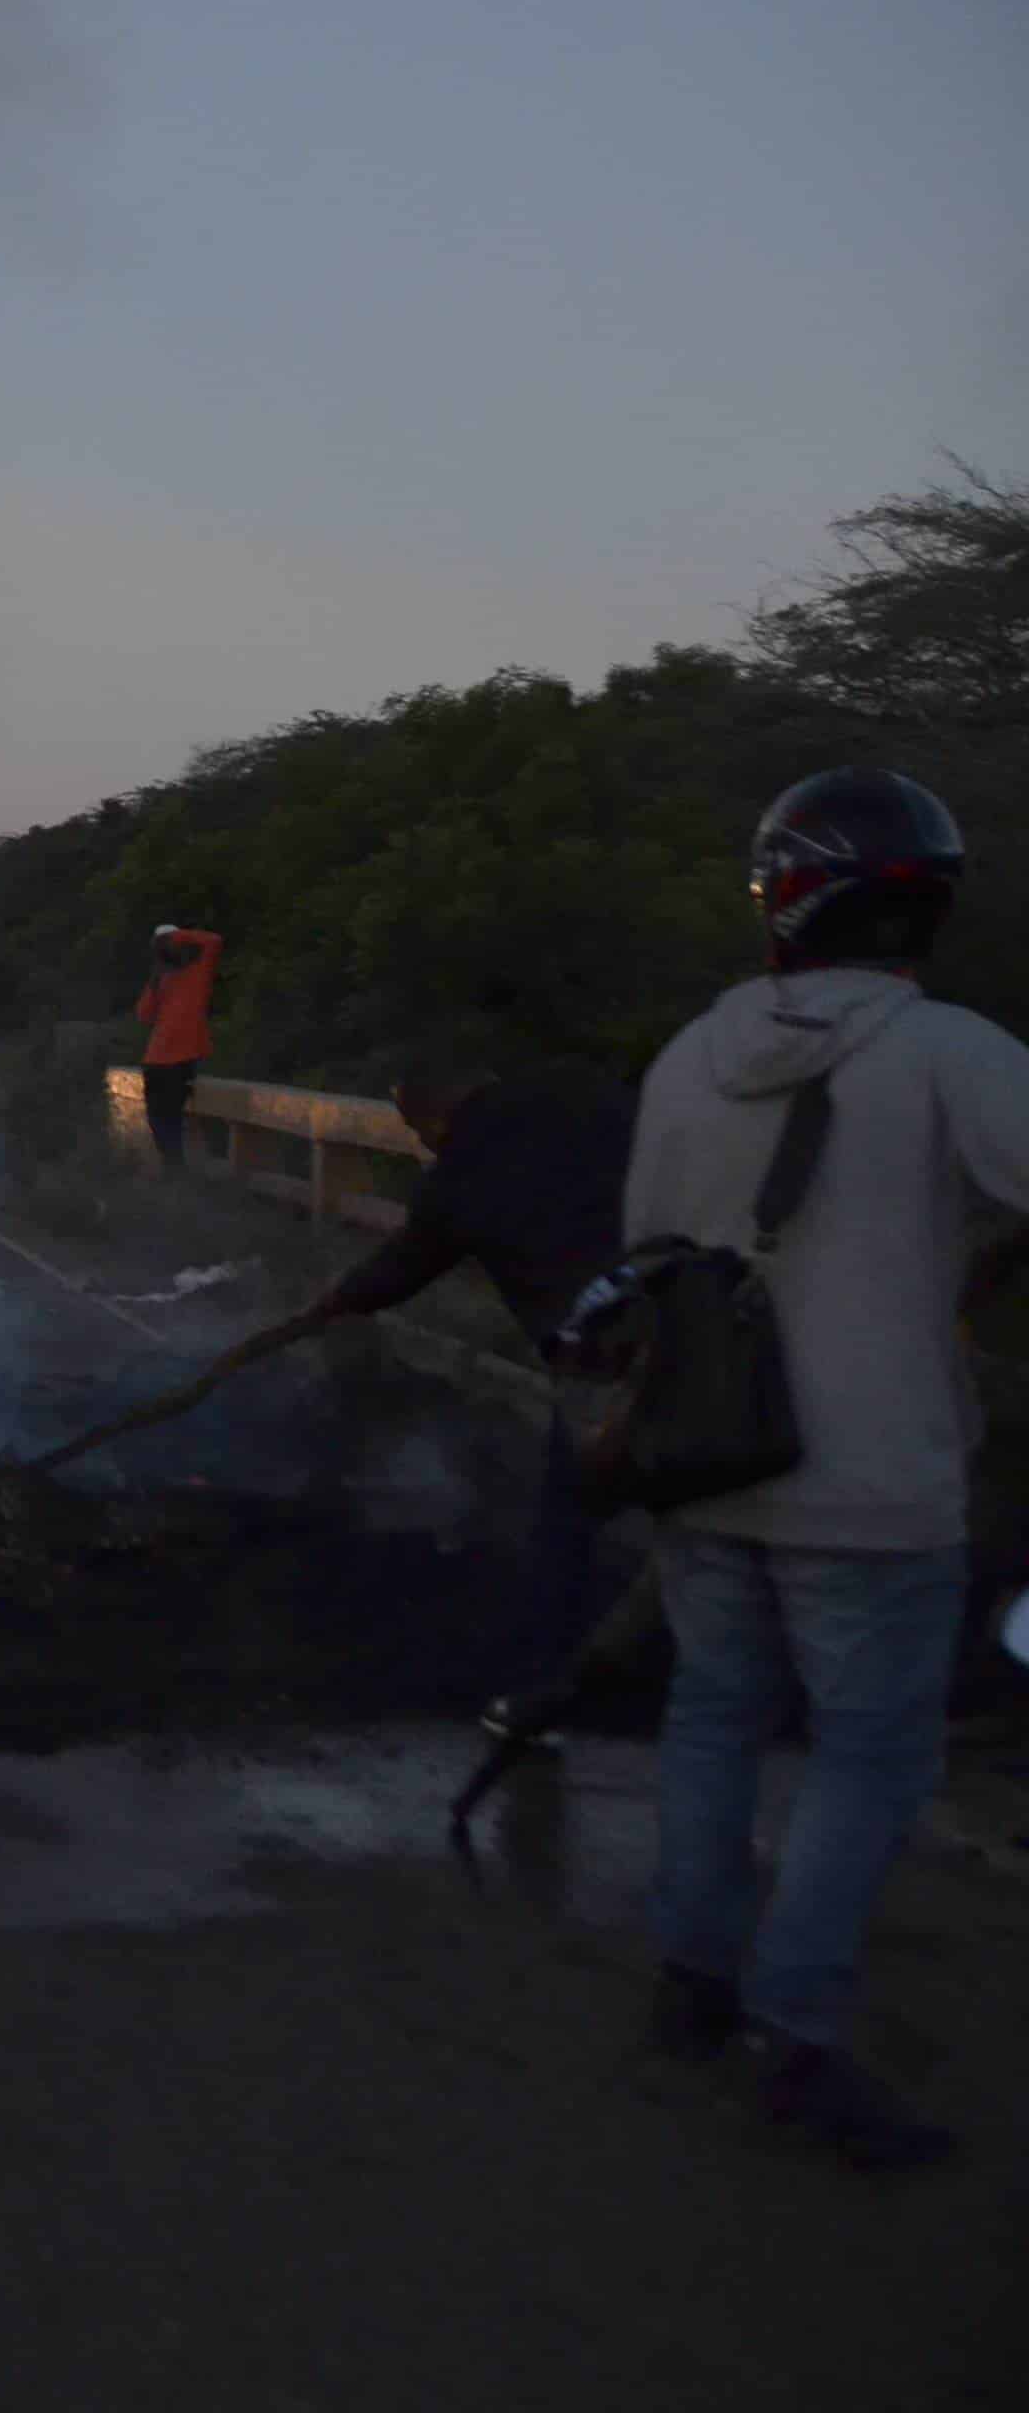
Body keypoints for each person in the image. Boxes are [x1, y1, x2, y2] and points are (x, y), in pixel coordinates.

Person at [620, 766, 1029, 2169]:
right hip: (875, 1479)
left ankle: (694, 1984)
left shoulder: (686, 1058)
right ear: (922, 907)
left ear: (785, 901)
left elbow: (650, 1259)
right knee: (866, 1757)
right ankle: (796, 2039)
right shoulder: (955, 1055)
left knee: (715, 1714)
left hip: (709, 1456)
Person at [215, 1056, 634, 1731]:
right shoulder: (582, 1095)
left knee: (568, 1524)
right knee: (692, 1500)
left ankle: (543, 1695)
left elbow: (402, 1265)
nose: (421, 1142)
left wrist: (331, 1307)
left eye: (418, 1127)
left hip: (596, 1354)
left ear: (440, 1112)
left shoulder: (461, 1178)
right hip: (685, 1313)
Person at [135, 923, 222, 1172]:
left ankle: (175, 1170)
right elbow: (144, 1015)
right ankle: (173, 1167)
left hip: (181, 1058)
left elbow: (214, 940)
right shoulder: (161, 977)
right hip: (155, 1060)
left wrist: (175, 937)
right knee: (156, 1117)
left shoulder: (198, 971)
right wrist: (155, 979)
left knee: (170, 1116)